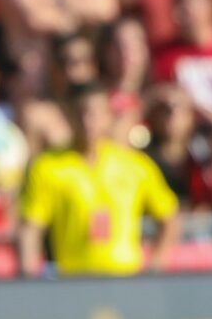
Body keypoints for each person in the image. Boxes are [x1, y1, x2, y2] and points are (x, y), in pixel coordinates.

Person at [18, 84, 181, 277]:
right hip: (73, 281)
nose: (88, 122)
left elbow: (169, 216)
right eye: (81, 113)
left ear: (108, 116)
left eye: (96, 113)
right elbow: (31, 226)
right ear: (69, 116)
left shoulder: (134, 166)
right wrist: (27, 275)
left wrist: (155, 265)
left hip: (125, 278)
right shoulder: (48, 167)